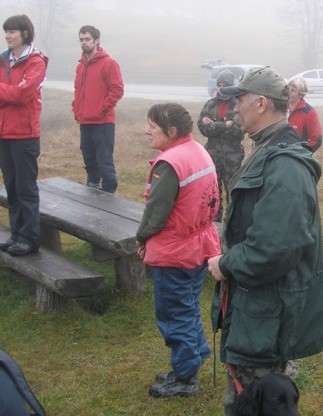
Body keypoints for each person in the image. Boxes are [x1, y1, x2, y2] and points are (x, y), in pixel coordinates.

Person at [207, 66, 323, 416]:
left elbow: (276, 246)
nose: (234, 108)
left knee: (257, 403)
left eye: (240, 99)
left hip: (265, 312)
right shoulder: (265, 150)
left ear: (261, 103)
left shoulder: (285, 165)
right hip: (255, 307)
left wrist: (226, 263)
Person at [136, 103, 221, 398]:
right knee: (187, 306)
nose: (147, 131)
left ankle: (185, 378)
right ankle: (192, 360)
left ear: (171, 132)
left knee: (175, 314)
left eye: (153, 126)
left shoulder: (170, 163)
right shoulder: (198, 150)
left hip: (176, 252)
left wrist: (141, 237)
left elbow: (155, 213)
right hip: (200, 244)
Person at [0, 15, 48, 256]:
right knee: (11, 186)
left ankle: (29, 238)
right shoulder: (2, 60)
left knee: (25, 187)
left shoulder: (36, 62)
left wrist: (9, 93)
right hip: (3, 134)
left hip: (25, 135)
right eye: (6, 31)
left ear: (25, 34)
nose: (7, 35)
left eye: (12, 31)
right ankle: (17, 234)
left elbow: (23, 95)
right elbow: (14, 94)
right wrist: (12, 93)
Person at [72, 25, 124, 193]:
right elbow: (78, 90)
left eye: (87, 39)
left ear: (97, 40)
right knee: (89, 161)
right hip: (84, 121)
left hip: (103, 122)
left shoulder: (109, 63)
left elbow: (117, 89)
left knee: (104, 162)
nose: (84, 42)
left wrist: (102, 108)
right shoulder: (80, 66)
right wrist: (76, 109)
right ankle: (92, 193)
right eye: (81, 39)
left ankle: (109, 197)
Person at [197, 69, 245, 222]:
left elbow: (239, 132)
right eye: (219, 84)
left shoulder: (238, 105)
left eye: (225, 85)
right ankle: (214, 220)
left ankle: (232, 221)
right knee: (213, 190)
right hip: (211, 155)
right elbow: (203, 128)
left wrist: (215, 125)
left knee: (233, 189)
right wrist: (226, 124)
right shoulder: (210, 104)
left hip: (233, 157)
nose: (221, 88)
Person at [287, 76, 323, 152]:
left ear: (301, 94)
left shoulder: (309, 112)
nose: (289, 92)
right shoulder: (281, 109)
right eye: (288, 89)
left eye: (293, 90)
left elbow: (317, 139)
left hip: (297, 159)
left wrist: (303, 154)